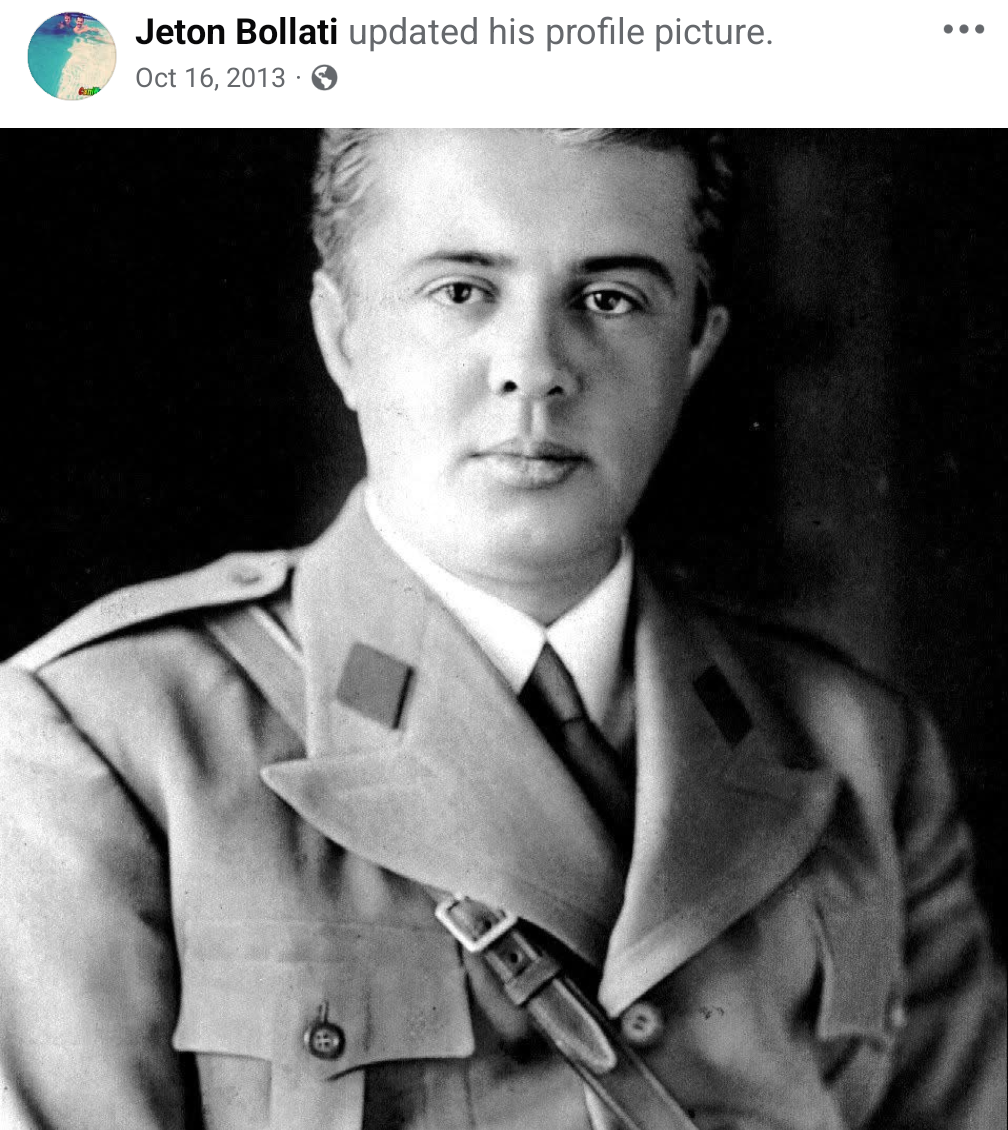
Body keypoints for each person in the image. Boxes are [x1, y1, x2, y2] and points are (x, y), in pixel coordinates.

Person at [0, 129, 1004, 1130]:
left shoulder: (858, 746)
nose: (535, 369)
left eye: (610, 299)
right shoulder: (114, 734)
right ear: (343, 337)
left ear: (695, 349)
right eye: (462, 292)